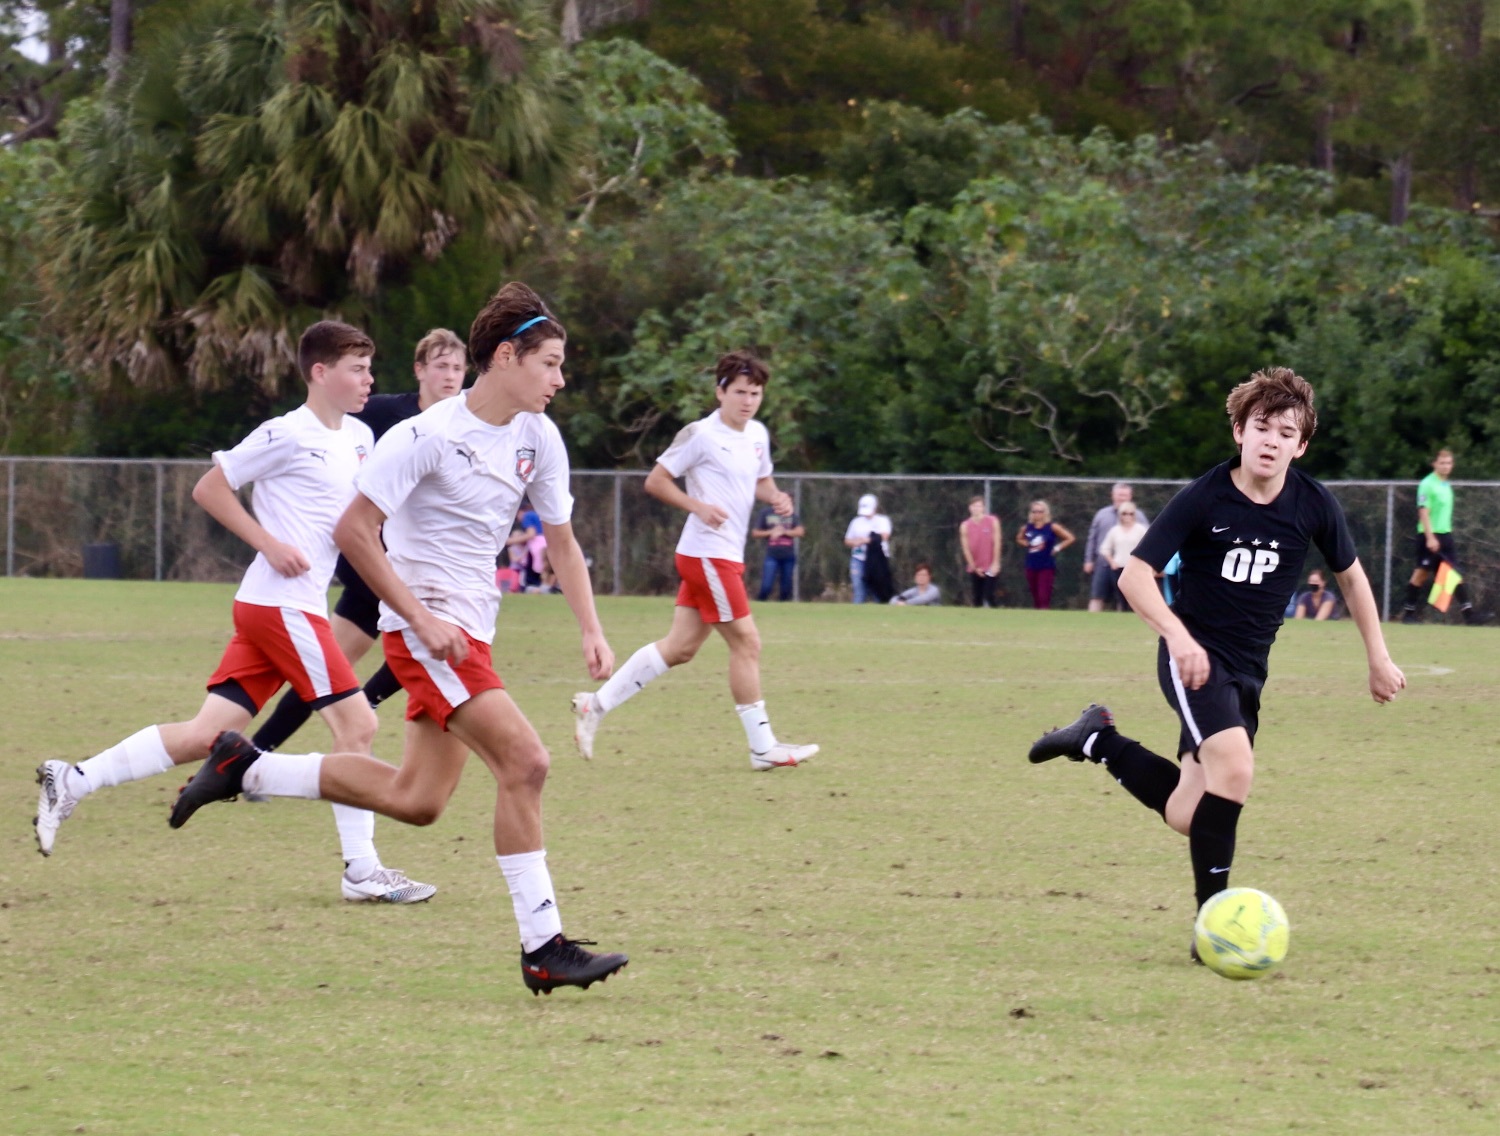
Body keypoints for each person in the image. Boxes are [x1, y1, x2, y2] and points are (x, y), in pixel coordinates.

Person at [166, 283, 629, 995]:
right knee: (527, 762)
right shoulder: (427, 434)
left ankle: (246, 768)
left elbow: (563, 543)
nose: (561, 380)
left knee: (418, 800)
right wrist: (419, 618)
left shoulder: (540, 436)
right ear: (507, 357)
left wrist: (592, 629)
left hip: (470, 630)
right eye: (551, 363)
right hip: (429, 635)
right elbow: (354, 530)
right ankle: (544, 946)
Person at [33, 321, 435, 904]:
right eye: (357, 368)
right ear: (320, 373)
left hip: (272, 607)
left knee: (205, 735)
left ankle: (73, 779)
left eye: (370, 368)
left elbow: (361, 520)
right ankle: (362, 871)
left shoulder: (360, 439)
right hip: (280, 606)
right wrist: (267, 542)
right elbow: (210, 489)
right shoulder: (285, 434)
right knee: (360, 725)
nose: (369, 379)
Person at [1027, 367, 1405, 964]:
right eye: (1261, 426)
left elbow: (1351, 578)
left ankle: (1097, 739)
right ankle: (1214, 931)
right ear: (1238, 430)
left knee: (1188, 812)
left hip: (1247, 673)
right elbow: (1133, 576)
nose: (1272, 440)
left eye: (1287, 431)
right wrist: (1177, 637)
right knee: (1236, 769)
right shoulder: (1206, 495)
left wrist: (1378, 656)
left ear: (1301, 445)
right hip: (1195, 661)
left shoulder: (1311, 503)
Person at [570, 352, 818, 772]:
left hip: (722, 557)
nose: (748, 400)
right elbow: (656, 480)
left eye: (755, 393)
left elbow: (760, 479)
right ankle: (763, 747)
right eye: (739, 392)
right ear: (720, 391)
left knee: (680, 648)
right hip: (707, 554)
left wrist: (774, 496)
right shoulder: (700, 434)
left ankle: (595, 705)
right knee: (747, 643)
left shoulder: (757, 434)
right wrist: (697, 506)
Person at [249, 328, 468, 758]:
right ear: (419, 370)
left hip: (417, 560)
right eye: (440, 365)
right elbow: (326, 427)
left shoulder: (465, 425)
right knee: (430, 637)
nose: (450, 375)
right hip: (371, 558)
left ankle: (258, 750)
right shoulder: (385, 414)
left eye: (458, 368)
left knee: (336, 669)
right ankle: (352, 710)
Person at [1400, 449, 1487, 625]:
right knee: (1421, 574)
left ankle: (1469, 615)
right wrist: (1430, 537)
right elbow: (1423, 512)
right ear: (1435, 464)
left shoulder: (1446, 485)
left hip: (1445, 535)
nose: (1446, 466)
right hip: (1430, 536)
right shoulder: (1427, 484)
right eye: (1442, 463)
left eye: (1449, 463)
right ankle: (1408, 614)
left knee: (1453, 574)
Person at [1084, 484, 1149, 613]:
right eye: (1120, 495)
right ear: (1113, 495)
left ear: (1130, 497)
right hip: (1103, 564)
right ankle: (1089, 623)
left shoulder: (1139, 516)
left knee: (1124, 598)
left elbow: (1147, 540)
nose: (1122, 498)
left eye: (1125, 495)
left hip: (1128, 566)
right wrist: (1088, 560)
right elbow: (1093, 538)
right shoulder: (1102, 514)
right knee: (1097, 596)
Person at [1016, 501, 1075, 610]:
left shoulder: (1052, 527)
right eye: (1035, 511)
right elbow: (1019, 538)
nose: (1037, 514)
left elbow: (1070, 538)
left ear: (1045, 513)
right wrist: (1027, 543)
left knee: (1043, 595)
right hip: (1031, 565)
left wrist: (1057, 548)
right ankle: (1036, 619)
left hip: (1046, 565)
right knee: (1035, 596)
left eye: (1040, 511)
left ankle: (1044, 616)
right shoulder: (1027, 528)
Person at [1099, 501, 1149, 612]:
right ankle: (1122, 613)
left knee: (1135, 594)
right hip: (1118, 567)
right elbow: (1105, 548)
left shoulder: (1140, 529)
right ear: (1120, 515)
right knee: (1120, 595)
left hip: (1134, 568)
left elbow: (1148, 546)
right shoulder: (1115, 531)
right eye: (1125, 513)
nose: (1128, 516)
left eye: (1131, 514)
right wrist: (1112, 562)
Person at [844, 493, 892, 604]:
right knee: (859, 589)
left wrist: (867, 540)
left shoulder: (883, 520)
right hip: (858, 558)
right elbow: (847, 540)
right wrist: (855, 542)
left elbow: (884, 536)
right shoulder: (856, 522)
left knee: (877, 588)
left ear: (875, 508)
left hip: (877, 560)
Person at [752, 499, 804, 601]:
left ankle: (783, 609)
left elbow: (800, 531)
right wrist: (771, 532)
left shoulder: (791, 514)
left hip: (788, 555)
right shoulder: (766, 513)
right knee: (766, 586)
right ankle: (761, 603)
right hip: (771, 554)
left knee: (786, 588)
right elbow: (755, 533)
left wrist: (784, 531)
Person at [959, 496, 1001, 607]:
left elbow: (997, 543)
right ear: (970, 508)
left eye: (979, 506)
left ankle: (997, 618)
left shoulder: (992, 521)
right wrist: (974, 567)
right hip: (976, 567)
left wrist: (995, 563)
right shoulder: (965, 525)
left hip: (990, 566)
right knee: (977, 598)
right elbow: (966, 549)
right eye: (974, 506)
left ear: (983, 508)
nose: (976, 508)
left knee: (989, 595)